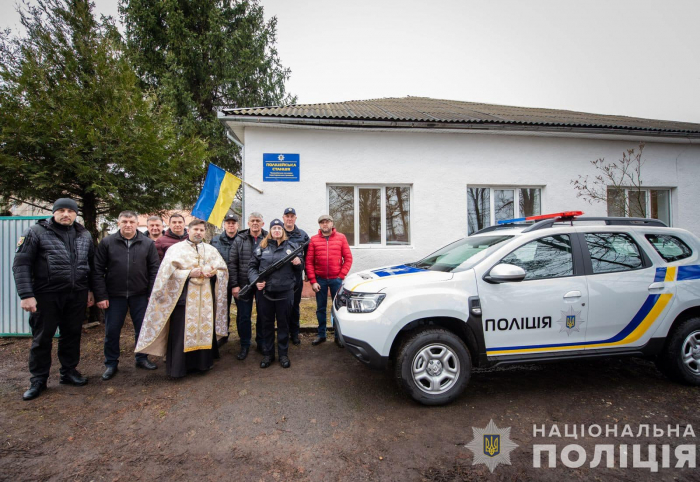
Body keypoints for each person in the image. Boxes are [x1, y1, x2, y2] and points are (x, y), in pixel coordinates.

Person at [13, 198, 95, 400]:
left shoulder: (84, 234)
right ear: (54, 212)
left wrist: (90, 290)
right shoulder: (36, 232)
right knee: (42, 338)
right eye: (62, 210)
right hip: (45, 295)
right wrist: (26, 295)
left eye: (70, 211)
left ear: (76, 214)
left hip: (76, 295)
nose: (66, 214)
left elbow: (91, 265)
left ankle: (68, 372)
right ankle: (38, 380)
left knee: (72, 334)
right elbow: (21, 265)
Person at [135, 219, 229, 378]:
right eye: (196, 230)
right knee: (181, 332)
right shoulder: (176, 249)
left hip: (205, 298)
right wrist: (188, 273)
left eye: (201, 230)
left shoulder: (211, 250)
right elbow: (166, 275)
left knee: (203, 329)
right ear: (189, 231)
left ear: (205, 232)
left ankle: (202, 365)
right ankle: (180, 368)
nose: (198, 232)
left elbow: (222, 270)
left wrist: (212, 272)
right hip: (183, 298)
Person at [93, 211, 161, 380]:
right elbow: (97, 270)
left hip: (140, 295)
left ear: (137, 224)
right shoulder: (107, 242)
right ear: (118, 223)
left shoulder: (147, 243)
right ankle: (111, 363)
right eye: (125, 221)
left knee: (142, 329)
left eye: (131, 221)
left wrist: (151, 293)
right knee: (112, 330)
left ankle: (142, 358)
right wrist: (101, 296)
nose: (128, 224)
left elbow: (154, 270)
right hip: (114, 295)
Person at [248, 219, 302, 368]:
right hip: (265, 293)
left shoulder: (292, 247)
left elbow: (299, 269)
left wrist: (298, 263)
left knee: (284, 324)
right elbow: (252, 267)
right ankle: (268, 354)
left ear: (283, 230)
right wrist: (255, 280)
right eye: (274, 228)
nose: (277, 230)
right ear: (270, 231)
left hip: (285, 293)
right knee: (266, 324)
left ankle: (283, 355)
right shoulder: (261, 247)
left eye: (279, 228)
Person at [306, 214, 353, 346]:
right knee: (320, 308)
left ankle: (338, 336)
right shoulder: (314, 240)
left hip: (335, 280)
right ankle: (321, 335)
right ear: (319, 225)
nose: (325, 224)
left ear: (332, 223)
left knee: (337, 308)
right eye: (322, 223)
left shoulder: (341, 238)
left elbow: (348, 259)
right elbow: (309, 262)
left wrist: (341, 276)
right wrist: (313, 281)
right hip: (319, 280)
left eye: (327, 222)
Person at [228, 212, 267, 360]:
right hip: (244, 284)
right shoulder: (240, 239)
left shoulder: (268, 238)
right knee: (244, 316)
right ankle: (245, 344)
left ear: (262, 223)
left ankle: (261, 342)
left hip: (262, 284)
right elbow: (232, 263)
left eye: (258, 220)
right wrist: (234, 285)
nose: (255, 223)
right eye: (252, 221)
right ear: (248, 223)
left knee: (263, 315)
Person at [282, 207, 309, 345]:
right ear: (283, 218)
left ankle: (295, 333)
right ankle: (284, 332)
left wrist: (306, 272)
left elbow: (308, 257)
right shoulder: (277, 232)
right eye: (287, 216)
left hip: (297, 276)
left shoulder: (302, 235)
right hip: (282, 277)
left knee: (295, 305)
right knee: (283, 306)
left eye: (292, 216)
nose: (289, 218)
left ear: (295, 218)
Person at [211, 213, 239, 346]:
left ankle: (242, 337)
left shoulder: (243, 239)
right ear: (224, 225)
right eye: (228, 222)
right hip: (221, 282)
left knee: (243, 311)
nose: (231, 225)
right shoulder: (215, 241)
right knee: (222, 309)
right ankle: (223, 335)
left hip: (239, 282)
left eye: (233, 222)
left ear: (237, 225)